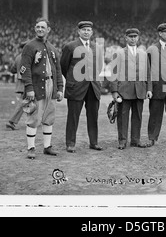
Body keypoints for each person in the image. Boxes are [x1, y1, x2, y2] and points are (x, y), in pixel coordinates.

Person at [20, 17, 64, 159]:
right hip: (37, 85)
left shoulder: (52, 48)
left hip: (51, 85)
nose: (40, 29)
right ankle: (31, 148)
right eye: (38, 27)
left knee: (49, 116)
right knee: (33, 117)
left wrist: (60, 89)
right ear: (35, 28)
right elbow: (24, 68)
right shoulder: (29, 46)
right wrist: (29, 88)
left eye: (43, 27)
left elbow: (58, 70)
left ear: (48, 30)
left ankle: (47, 147)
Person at [60, 21, 103, 153]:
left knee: (93, 116)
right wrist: (74, 79)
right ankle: (70, 143)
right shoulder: (70, 46)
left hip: (93, 87)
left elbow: (99, 66)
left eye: (88, 30)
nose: (86, 32)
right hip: (76, 87)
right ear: (78, 32)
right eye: (83, 29)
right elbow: (64, 66)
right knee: (73, 116)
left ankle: (94, 142)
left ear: (92, 32)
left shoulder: (97, 47)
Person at [110, 28, 152, 149]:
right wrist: (114, 91)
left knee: (137, 115)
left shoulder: (143, 54)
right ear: (126, 38)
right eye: (131, 37)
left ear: (138, 38)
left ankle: (135, 139)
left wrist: (149, 89)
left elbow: (148, 73)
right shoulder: (119, 53)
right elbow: (114, 73)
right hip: (124, 91)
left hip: (140, 90)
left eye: (135, 37)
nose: (133, 39)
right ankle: (122, 140)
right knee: (123, 117)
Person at [6, 40, 28, 130]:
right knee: (23, 103)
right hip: (27, 83)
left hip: (21, 83)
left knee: (29, 103)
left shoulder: (18, 57)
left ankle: (35, 121)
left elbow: (12, 70)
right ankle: (11, 121)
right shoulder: (27, 57)